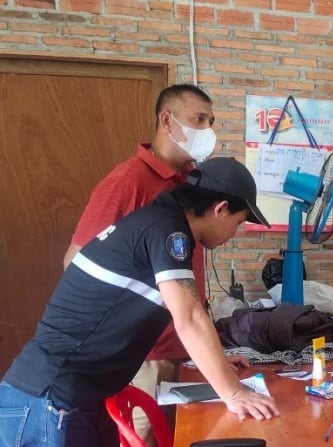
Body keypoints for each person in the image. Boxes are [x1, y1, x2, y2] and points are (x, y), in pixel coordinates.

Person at [0, 157, 279, 447]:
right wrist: (233, 393)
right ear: (220, 209)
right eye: (238, 222)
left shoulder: (156, 223)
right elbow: (190, 319)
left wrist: (217, 360)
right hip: (50, 400)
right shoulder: (168, 231)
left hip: (73, 397)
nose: (233, 234)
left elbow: (184, 311)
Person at [61, 84, 265, 445]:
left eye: (211, 122)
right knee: (145, 438)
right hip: (144, 355)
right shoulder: (128, 183)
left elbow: (187, 300)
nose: (207, 131)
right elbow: (77, 263)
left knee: (180, 437)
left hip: (181, 348)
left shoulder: (192, 185)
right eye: (198, 120)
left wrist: (209, 358)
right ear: (167, 121)